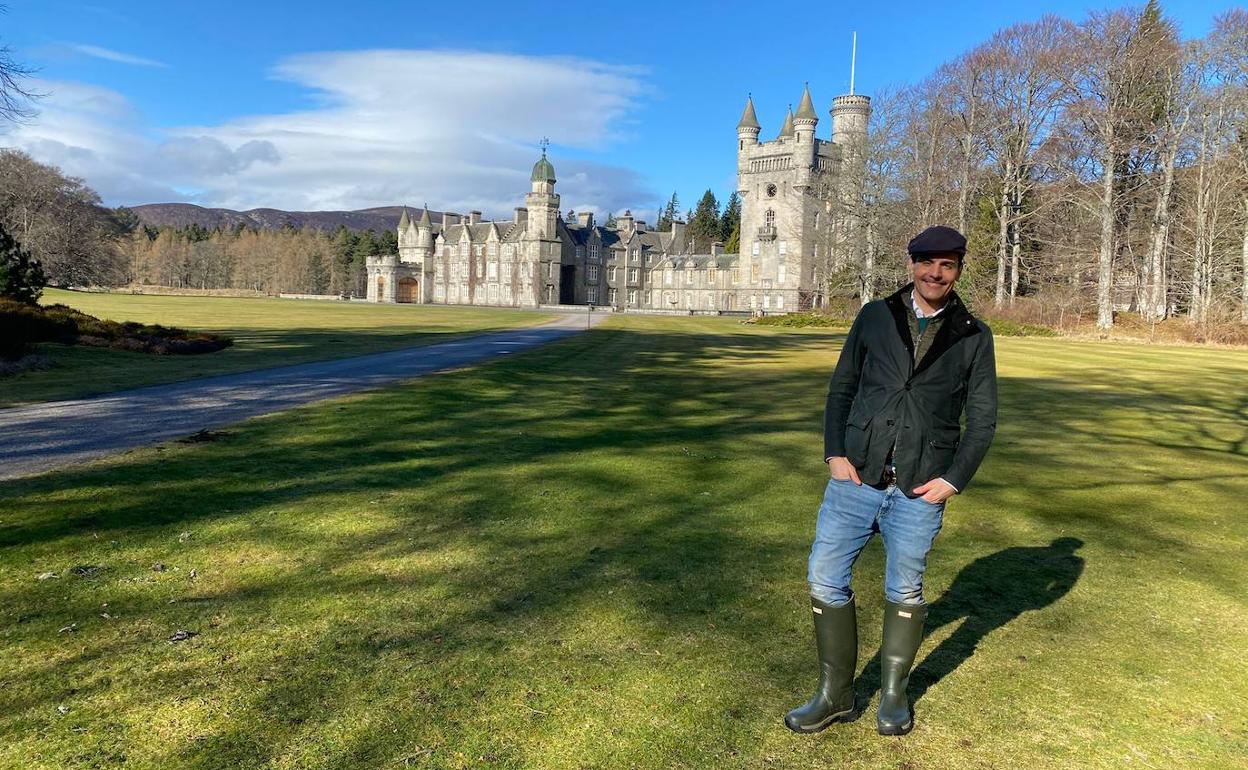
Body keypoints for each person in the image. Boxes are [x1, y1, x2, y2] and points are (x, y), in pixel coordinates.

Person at [784, 225, 998, 737]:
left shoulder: (973, 334)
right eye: (927, 263)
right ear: (911, 264)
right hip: (856, 477)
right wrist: (836, 454)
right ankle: (835, 694)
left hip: (921, 487)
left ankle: (894, 694)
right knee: (825, 577)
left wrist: (953, 480)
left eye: (947, 265)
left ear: (958, 270)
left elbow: (983, 419)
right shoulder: (875, 316)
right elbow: (842, 389)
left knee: (905, 587)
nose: (935, 273)